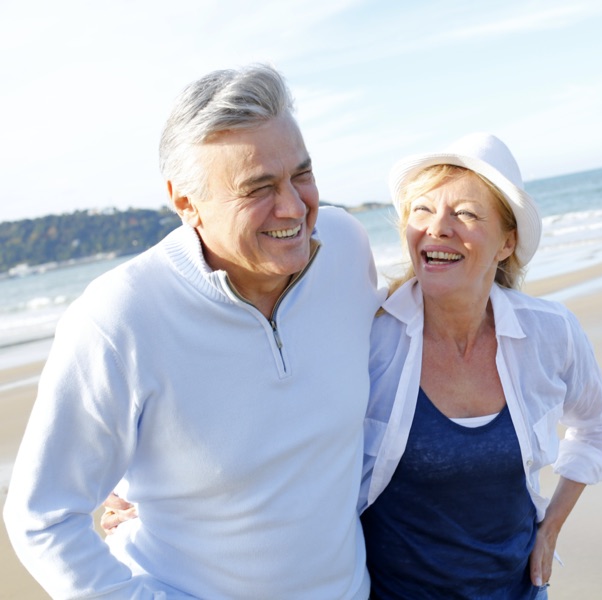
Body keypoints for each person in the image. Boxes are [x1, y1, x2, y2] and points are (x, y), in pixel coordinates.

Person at [3, 64, 382, 599]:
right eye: (259, 187)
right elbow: (42, 518)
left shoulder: (346, 244)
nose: (295, 207)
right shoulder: (119, 319)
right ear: (187, 205)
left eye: (301, 174)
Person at [358, 133, 602, 598]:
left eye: (466, 214)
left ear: (505, 243)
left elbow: (596, 423)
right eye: (422, 209)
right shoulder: (368, 338)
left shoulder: (549, 332)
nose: (438, 227)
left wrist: (551, 527)